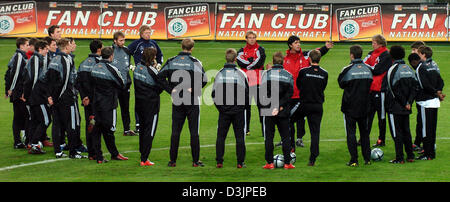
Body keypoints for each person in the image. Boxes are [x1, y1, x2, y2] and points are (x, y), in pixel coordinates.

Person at [157, 38, 207, 167]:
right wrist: (194, 89)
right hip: (192, 99)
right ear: (192, 48)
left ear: (181, 46)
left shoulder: (171, 61)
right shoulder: (195, 62)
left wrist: (171, 90)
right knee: (194, 131)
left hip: (177, 99)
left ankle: (172, 161)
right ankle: (195, 161)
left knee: (175, 131)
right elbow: (204, 80)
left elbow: (160, 77)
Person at [280, 35, 333, 150]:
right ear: (290, 45)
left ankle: (299, 138)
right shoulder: (285, 59)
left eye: (299, 42)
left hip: (301, 95)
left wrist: (326, 47)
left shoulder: (305, 55)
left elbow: (316, 53)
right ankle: (288, 140)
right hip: (288, 95)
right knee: (288, 118)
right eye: (295, 43)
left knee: (299, 118)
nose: (298, 44)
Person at [45, 38, 85, 159]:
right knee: (71, 124)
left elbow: (48, 79)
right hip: (66, 97)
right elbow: (68, 80)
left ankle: (58, 151)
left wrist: (50, 96)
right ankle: (73, 151)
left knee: (57, 124)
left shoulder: (54, 59)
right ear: (66, 46)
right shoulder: (66, 60)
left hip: (55, 98)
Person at [90, 47, 129, 164]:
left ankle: (99, 156)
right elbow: (122, 83)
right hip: (109, 104)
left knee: (97, 129)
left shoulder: (95, 67)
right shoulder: (112, 69)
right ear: (111, 56)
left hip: (96, 102)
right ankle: (114, 154)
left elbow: (92, 82)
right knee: (109, 129)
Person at [212, 48, 249, 168]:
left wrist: (221, 108)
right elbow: (247, 93)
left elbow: (214, 94)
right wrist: (241, 107)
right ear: (235, 59)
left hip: (224, 111)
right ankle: (240, 162)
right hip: (238, 110)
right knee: (239, 137)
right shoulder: (241, 73)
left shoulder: (219, 73)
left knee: (221, 136)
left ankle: (219, 161)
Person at [290, 50, 328, 166]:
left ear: (309, 59)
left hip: (304, 104)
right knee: (315, 132)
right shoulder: (324, 73)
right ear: (320, 59)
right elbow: (323, 87)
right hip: (317, 105)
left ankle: (291, 148)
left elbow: (299, 84)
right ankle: (312, 159)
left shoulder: (303, 71)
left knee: (288, 120)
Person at [382, 45, 419, 164]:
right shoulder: (409, 68)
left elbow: (393, 90)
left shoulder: (392, 69)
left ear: (391, 55)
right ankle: (410, 156)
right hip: (406, 107)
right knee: (406, 131)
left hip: (394, 107)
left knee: (396, 132)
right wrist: (409, 102)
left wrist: (404, 102)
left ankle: (399, 158)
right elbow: (415, 87)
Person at [338, 45, 373, 167]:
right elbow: (371, 82)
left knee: (351, 133)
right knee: (364, 133)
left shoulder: (347, 69)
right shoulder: (368, 68)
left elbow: (341, 84)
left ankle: (354, 160)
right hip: (365, 106)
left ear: (351, 55)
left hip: (350, 106)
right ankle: (367, 158)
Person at [260, 51, 295, 170]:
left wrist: (271, 106)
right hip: (283, 110)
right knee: (285, 137)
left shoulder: (266, 74)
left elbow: (262, 93)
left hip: (269, 109)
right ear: (283, 61)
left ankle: (269, 163)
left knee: (269, 137)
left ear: (273, 61)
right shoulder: (288, 75)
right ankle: (287, 163)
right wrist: (280, 106)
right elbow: (290, 94)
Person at [128, 25, 163, 133]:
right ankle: (138, 123)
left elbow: (160, 55)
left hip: (152, 72)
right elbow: (125, 54)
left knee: (151, 96)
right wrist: (130, 65)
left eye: (149, 32)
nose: (148, 34)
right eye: (146, 33)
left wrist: (159, 64)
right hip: (140, 73)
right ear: (141, 33)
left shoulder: (153, 43)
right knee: (139, 98)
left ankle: (149, 120)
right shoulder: (136, 44)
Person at [134, 47, 163, 166]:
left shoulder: (137, 68)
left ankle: (142, 154)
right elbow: (160, 86)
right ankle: (144, 158)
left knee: (142, 129)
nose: (155, 57)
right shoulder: (151, 70)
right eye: (154, 56)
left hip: (139, 103)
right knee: (149, 131)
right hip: (151, 104)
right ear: (151, 57)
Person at [415, 46, 445, 160]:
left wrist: (436, 93)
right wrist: (438, 92)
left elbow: (424, 85)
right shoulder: (434, 65)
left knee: (425, 129)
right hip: (434, 102)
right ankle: (431, 153)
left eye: (418, 53)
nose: (417, 56)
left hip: (425, 102)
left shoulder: (421, 67)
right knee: (432, 129)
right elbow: (441, 81)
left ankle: (427, 154)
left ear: (423, 54)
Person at [363, 34, 392, 147]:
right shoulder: (371, 53)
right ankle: (364, 138)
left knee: (382, 116)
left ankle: (381, 139)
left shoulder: (386, 55)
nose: (372, 44)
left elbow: (378, 70)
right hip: (371, 89)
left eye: (373, 42)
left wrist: (366, 68)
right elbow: (363, 63)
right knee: (368, 115)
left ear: (380, 43)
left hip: (381, 90)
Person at [76, 39, 103, 160]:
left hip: (86, 101)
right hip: (96, 100)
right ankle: (96, 153)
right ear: (99, 49)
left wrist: (84, 97)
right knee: (96, 126)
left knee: (89, 125)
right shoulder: (99, 64)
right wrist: (90, 97)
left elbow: (78, 82)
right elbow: (97, 83)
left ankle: (91, 152)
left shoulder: (83, 63)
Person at [236, 31, 265, 136]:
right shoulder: (241, 51)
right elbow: (239, 62)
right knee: (245, 107)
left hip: (258, 82)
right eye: (250, 37)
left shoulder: (261, 49)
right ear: (246, 39)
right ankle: (246, 129)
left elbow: (260, 62)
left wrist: (248, 64)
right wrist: (251, 63)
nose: (252, 39)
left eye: (254, 37)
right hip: (246, 82)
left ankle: (264, 128)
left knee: (261, 107)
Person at [23, 40, 50, 154]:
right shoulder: (36, 59)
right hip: (37, 96)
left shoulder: (37, 59)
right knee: (46, 120)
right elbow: (33, 78)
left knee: (35, 120)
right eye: (45, 49)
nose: (47, 51)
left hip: (35, 95)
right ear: (40, 49)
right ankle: (34, 143)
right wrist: (33, 94)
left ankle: (31, 142)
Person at [4, 37, 30, 149]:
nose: (28, 47)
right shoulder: (19, 57)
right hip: (19, 91)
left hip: (17, 91)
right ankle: (24, 139)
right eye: (27, 44)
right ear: (22, 46)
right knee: (26, 115)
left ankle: (18, 141)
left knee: (18, 116)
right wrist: (11, 89)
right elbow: (14, 74)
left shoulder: (18, 56)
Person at [112, 31, 136, 136]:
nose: (123, 42)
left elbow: (128, 63)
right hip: (113, 85)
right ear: (115, 41)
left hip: (125, 84)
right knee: (112, 107)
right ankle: (110, 128)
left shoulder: (127, 50)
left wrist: (131, 66)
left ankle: (127, 129)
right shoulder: (110, 51)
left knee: (125, 108)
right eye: (121, 40)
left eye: (124, 40)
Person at [408, 53, 425, 152]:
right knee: (421, 123)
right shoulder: (426, 65)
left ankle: (425, 146)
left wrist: (410, 101)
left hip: (423, 101)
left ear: (414, 62)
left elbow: (419, 86)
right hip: (424, 100)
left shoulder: (420, 69)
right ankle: (418, 143)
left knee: (422, 123)